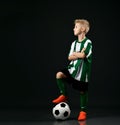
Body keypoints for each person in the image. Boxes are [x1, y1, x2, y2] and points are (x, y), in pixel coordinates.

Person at [52, 19, 92, 121]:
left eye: (76, 27)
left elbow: (84, 55)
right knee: (59, 74)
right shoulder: (74, 43)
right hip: (72, 69)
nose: (73, 29)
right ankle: (64, 94)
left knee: (83, 91)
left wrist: (77, 54)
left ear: (82, 29)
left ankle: (83, 112)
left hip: (82, 72)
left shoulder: (88, 42)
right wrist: (78, 54)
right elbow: (69, 57)